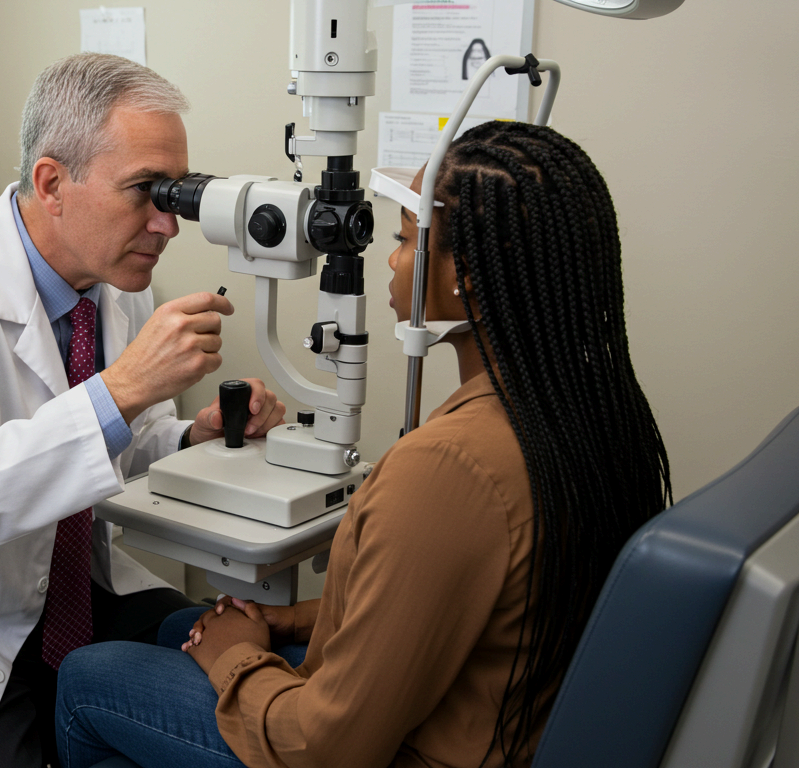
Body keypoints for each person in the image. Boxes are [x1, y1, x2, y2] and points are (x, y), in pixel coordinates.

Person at [54, 121, 673, 768]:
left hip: (399, 750)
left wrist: (238, 656)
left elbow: (329, 750)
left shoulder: (449, 468)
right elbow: (451, 609)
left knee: (90, 675)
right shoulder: (597, 412)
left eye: (407, 240)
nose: (391, 257)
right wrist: (290, 624)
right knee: (185, 627)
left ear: (468, 275)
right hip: (497, 714)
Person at [0, 53, 287, 768]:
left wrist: (192, 432)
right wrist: (123, 388)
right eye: (145, 193)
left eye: (177, 194)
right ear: (51, 183)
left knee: (235, 696)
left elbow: (110, 448)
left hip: (74, 589)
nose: (167, 224)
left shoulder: (115, 280)